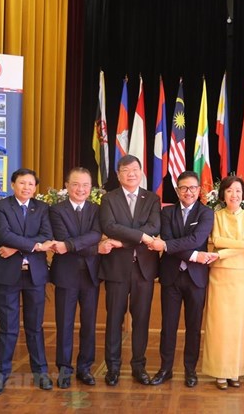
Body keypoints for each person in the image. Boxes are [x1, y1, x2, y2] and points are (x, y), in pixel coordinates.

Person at [146, 171, 219, 387]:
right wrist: (195, 254)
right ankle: (165, 368)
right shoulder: (167, 212)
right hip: (171, 277)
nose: (188, 192)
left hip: (196, 279)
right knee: (168, 325)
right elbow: (167, 241)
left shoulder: (206, 213)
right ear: (177, 191)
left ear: (199, 191)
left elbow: (195, 239)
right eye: (184, 188)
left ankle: (190, 370)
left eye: (193, 188)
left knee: (194, 327)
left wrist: (168, 246)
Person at [0, 168, 54, 396]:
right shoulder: (1, 206)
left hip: (34, 273)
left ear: (36, 188)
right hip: (7, 275)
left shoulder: (42, 208)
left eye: (31, 184)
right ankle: (0, 375)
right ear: (13, 184)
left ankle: (41, 372)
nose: (27, 188)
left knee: (35, 327)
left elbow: (46, 236)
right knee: (9, 327)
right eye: (22, 183)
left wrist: (17, 246)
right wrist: (35, 245)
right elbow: (4, 235)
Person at [202, 175, 244, 390]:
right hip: (220, 275)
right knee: (219, 325)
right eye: (230, 191)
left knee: (239, 326)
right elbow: (218, 241)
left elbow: (241, 247)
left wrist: (224, 253)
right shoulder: (216, 215)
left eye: (238, 191)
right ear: (223, 194)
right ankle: (219, 372)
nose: (234, 195)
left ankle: (235, 372)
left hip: (243, 274)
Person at [99, 155, 161, 386]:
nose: (131, 174)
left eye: (135, 169)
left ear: (141, 171)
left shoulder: (152, 198)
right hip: (116, 268)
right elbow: (109, 226)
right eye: (125, 170)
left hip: (143, 269)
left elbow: (155, 226)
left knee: (141, 320)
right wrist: (142, 237)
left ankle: (139, 366)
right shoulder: (109, 199)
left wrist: (123, 241)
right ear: (118, 174)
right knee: (114, 319)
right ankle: (113, 367)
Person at [48, 167, 103, 388]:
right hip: (66, 274)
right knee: (64, 323)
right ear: (67, 186)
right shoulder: (56, 210)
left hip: (91, 274)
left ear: (91, 188)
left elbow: (96, 235)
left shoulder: (97, 210)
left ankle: (85, 368)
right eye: (76, 184)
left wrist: (70, 245)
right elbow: (61, 237)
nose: (80, 189)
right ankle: (64, 368)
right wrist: (91, 246)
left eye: (85, 185)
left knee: (89, 324)